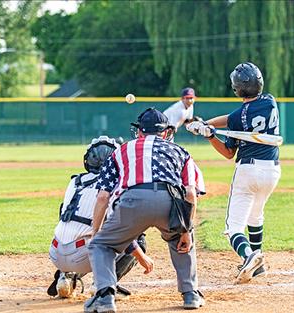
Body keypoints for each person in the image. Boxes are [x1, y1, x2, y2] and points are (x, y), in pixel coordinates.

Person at [84, 108, 205, 313]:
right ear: (166, 132)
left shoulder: (121, 150)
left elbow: (103, 196)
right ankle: (190, 294)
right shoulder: (181, 151)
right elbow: (191, 194)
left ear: (139, 131)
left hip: (133, 201)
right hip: (170, 202)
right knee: (181, 241)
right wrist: (186, 230)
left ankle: (105, 296)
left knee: (101, 246)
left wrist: (97, 232)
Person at [186, 62, 281, 284]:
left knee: (233, 228)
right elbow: (232, 118)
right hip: (272, 170)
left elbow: (228, 152)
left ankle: (248, 257)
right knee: (256, 216)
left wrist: (210, 135)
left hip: (248, 170)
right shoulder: (270, 101)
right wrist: (206, 125)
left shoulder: (239, 117)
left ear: (237, 89)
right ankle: (259, 265)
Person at [47, 136, 154, 298]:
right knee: (138, 239)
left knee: (80, 227)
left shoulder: (75, 181)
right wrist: (142, 257)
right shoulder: (114, 185)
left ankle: (66, 276)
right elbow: (121, 230)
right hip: (83, 256)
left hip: (56, 252)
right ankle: (103, 284)